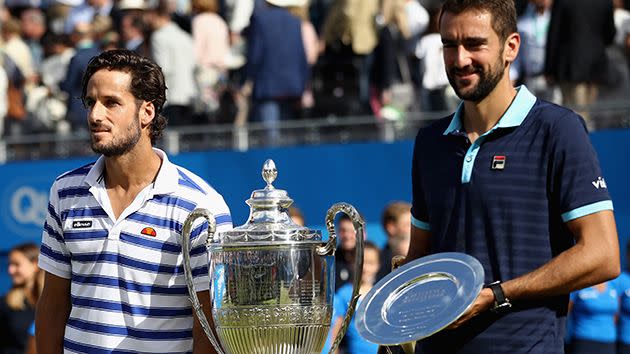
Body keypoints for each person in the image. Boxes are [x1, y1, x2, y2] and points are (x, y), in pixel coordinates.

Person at [406, 1, 620, 353]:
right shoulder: (430, 142)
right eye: (449, 44)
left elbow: (602, 254)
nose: (459, 60)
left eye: (475, 44)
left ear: (511, 47)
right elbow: (420, 256)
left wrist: (496, 295)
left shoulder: (558, 130)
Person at [35, 50, 233, 353]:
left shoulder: (201, 206)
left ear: (147, 112)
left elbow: (209, 321)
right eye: (91, 102)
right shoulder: (64, 191)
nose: (95, 115)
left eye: (111, 103)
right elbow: (52, 302)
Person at [327, 241, 381, 354]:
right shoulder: (345, 294)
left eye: (371, 263)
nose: (365, 268)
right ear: (352, 262)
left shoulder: (381, 294)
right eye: (361, 262)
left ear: (378, 265)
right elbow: (335, 334)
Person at [0, 243, 42, 354]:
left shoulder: (53, 303)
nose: (10, 270)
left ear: (35, 264)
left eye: (16, 264)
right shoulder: (5, 304)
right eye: (10, 265)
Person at [567, 281, 619, 354]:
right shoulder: (579, 284)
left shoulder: (613, 284)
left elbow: (615, 315)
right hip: (583, 340)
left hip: (609, 342)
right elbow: (566, 314)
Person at [376, 201, 411, 281]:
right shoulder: (378, 263)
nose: (412, 229)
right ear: (391, 227)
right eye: (407, 224)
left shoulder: (424, 255)